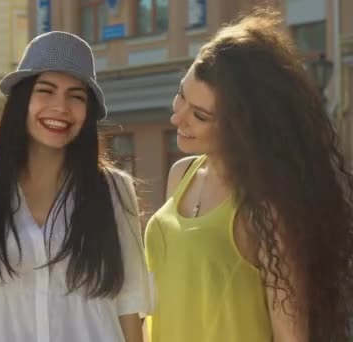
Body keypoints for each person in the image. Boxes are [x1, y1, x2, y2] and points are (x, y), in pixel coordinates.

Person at [144, 8, 353, 342]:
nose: (177, 118)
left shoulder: (266, 208)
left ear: (242, 127)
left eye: (199, 115)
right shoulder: (180, 175)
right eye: (181, 94)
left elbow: (292, 336)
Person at [0, 31, 152, 342]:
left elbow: (129, 304)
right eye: (46, 91)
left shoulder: (115, 190)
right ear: (21, 100)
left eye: (76, 96)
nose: (60, 107)